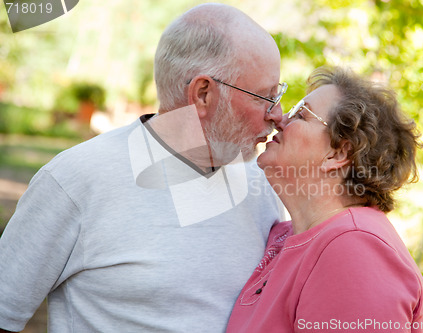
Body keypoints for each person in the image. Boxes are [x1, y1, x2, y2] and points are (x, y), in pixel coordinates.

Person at [0, 4, 287, 333]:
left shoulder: (261, 184)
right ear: (203, 94)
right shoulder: (75, 180)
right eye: (264, 96)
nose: (278, 114)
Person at [226, 66, 423, 332]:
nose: (279, 119)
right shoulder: (287, 236)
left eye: (301, 114)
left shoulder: (354, 247)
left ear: (338, 154)